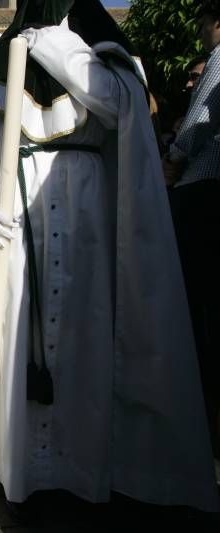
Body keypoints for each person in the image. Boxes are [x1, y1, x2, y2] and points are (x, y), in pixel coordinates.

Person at [0, 0, 218, 511]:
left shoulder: (102, 53)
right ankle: (23, 467)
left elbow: (121, 108)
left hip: (90, 217)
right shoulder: (0, 63)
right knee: (15, 338)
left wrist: (53, 44)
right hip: (19, 221)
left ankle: (82, 464)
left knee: (85, 334)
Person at [164, 0, 220, 464]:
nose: (201, 32)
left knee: (198, 300)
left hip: (203, 185)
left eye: (203, 23)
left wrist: (173, 158)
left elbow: (201, 118)